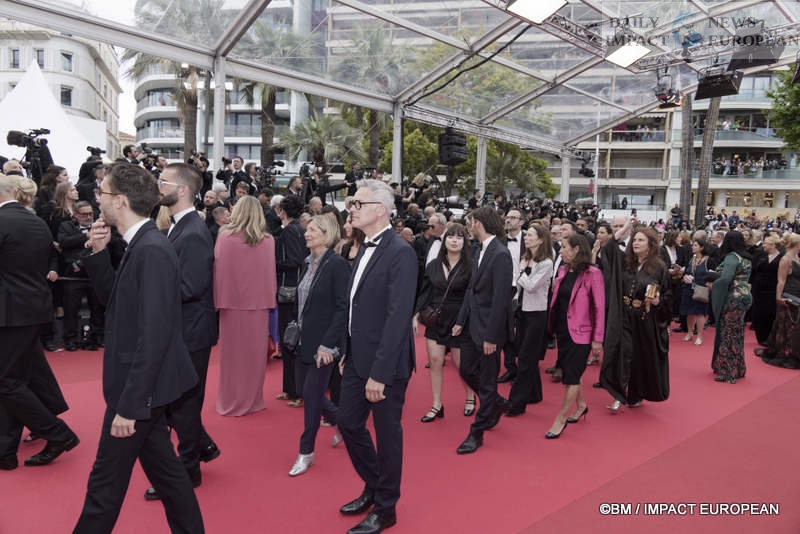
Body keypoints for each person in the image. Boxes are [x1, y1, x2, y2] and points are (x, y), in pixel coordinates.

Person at [74, 163, 203, 533]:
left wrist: (130, 405)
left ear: (121, 201)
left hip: (138, 389)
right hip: (142, 386)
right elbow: (116, 305)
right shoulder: (141, 244)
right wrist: (99, 253)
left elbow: (155, 334)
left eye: (102, 193)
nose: (97, 199)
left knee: (105, 483)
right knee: (168, 476)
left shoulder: (152, 250)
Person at [337, 180, 417, 534]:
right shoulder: (363, 247)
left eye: (358, 203)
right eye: (352, 203)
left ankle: (386, 509)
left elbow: (397, 318)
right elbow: (354, 305)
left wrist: (380, 374)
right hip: (357, 357)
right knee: (348, 423)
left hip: (385, 365)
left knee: (387, 437)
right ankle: (374, 484)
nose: (351, 209)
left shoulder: (400, 252)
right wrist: (346, 349)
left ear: (380, 209)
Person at [142, 163, 221, 501]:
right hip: (182, 330)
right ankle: (201, 448)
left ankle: (188, 472)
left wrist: (149, 287)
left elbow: (191, 286)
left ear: (183, 190)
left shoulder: (192, 233)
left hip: (191, 333)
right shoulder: (181, 227)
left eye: (163, 182)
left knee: (184, 406)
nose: (158, 187)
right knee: (177, 403)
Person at [0, 174, 79, 471]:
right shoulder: (37, 222)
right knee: (18, 378)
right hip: (34, 309)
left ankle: (58, 433)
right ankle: (5, 452)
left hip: (10, 314)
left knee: (7, 382)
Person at [288, 215, 351, 477]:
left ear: (327, 234)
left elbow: (343, 307)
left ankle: (306, 452)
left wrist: (328, 344)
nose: (307, 233)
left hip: (325, 344)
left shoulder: (337, 265)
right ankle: (344, 423)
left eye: (313, 230)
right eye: (308, 229)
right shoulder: (307, 263)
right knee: (306, 391)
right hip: (304, 340)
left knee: (312, 396)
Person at [452, 206, 513, 454]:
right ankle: (496, 403)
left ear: (478, 223)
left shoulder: (501, 254)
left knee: (487, 383)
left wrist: (491, 337)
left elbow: (501, 300)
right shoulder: (479, 249)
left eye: (469, 223)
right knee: (466, 370)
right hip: (471, 325)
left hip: (488, 331)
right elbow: (472, 289)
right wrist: (460, 320)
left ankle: (476, 432)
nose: (468, 228)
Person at [214, 196, 277, 415]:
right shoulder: (268, 240)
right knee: (254, 357)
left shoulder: (225, 237)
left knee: (231, 357)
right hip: (259, 304)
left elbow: (218, 271)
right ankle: (252, 399)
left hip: (230, 304)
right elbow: (270, 274)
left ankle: (230, 398)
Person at [599, 220, 671, 412]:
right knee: (622, 353)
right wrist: (623, 230)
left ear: (650, 244)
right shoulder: (626, 263)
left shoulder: (659, 267)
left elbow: (668, 295)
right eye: (634, 240)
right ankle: (618, 394)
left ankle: (635, 394)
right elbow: (607, 249)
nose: (636, 243)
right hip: (623, 315)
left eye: (641, 240)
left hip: (644, 319)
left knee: (639, 357)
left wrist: (658, 301)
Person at [413, 223, 474, 423]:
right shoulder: (433, 265)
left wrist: (462, 321)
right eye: (451, 237)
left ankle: (470, 395)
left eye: (459, 237)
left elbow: (471, 297)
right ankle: (437, 404)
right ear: (444, 240)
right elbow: (425, 292)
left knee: (460, 364)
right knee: (435, 362)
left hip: (459, 319)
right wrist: (415, 315)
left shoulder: (471, 265)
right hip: (436, 318)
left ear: (465, 242)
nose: (454, 241)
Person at [545, 234, 604, 438]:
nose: (560, 251)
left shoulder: (593, 274)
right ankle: (581, 406)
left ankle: (560, 420)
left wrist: (597, 339)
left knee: (571, 376)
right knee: (572, 372)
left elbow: (599, 308)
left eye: (564, 247)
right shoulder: (563, 270)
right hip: (563, 331)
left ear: (577, 249)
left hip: (582, 335)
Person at [506, 223, 554, 415]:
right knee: (525, 354)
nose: (526, 238)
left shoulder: (546, 263)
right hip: (522, 311)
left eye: (531, 235)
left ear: (541, 240)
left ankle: (516, 404)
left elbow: (532, 286)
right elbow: (519, 284)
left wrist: (520, 273)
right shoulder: (525, 258)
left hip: (537, 314)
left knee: (526, 358)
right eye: (526, 235)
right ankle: (535, 393)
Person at [275, 194, 308, 407]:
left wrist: (273, 262)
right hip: (293, 289)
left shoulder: (289, 231)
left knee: (290, 339)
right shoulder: (299, 230)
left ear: (283, 211)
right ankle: (289, 388)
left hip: (289, 291)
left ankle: (295, 391)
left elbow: (296, 260)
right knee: (289, 340)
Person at [709, 230, 753, 384]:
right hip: (745, 296)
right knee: (737, 333)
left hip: (733, 298)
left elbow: (725, 278)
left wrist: (713, 284)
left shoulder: (732, 257)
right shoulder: (746, 258)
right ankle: (738, 368)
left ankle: (728, 371)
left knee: (727, 333)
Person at [756, 234, 800, 368]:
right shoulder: (785, 259)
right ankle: (787, 351)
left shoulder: (797, 258)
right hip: (789, 295)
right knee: (788, 324)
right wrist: (779, 297)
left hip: (797, 294)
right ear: (797, 245)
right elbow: (781, 280)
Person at [750, 235, 783, 345]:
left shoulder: (782, 257)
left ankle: (769, 337)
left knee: (770, 313)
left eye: (765, 243)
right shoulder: (760, 255)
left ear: (773, 245)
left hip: (773, 289)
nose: (763, 245)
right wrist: (750, 283)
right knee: (758, 312)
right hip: (758, 288)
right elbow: (753, 270)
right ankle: (761, 337)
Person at [679, 238, 710, 346]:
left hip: (701, 289)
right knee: (689, 312)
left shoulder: (708, 260)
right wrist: (685, 277)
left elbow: (712, 274)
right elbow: (686, 272)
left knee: (700, 312)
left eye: (695, 245)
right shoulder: (691, 258)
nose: (693, 247)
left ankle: (700, 336)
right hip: (688, 288)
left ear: (702, 247)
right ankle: (690, 332)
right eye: (693, 245)